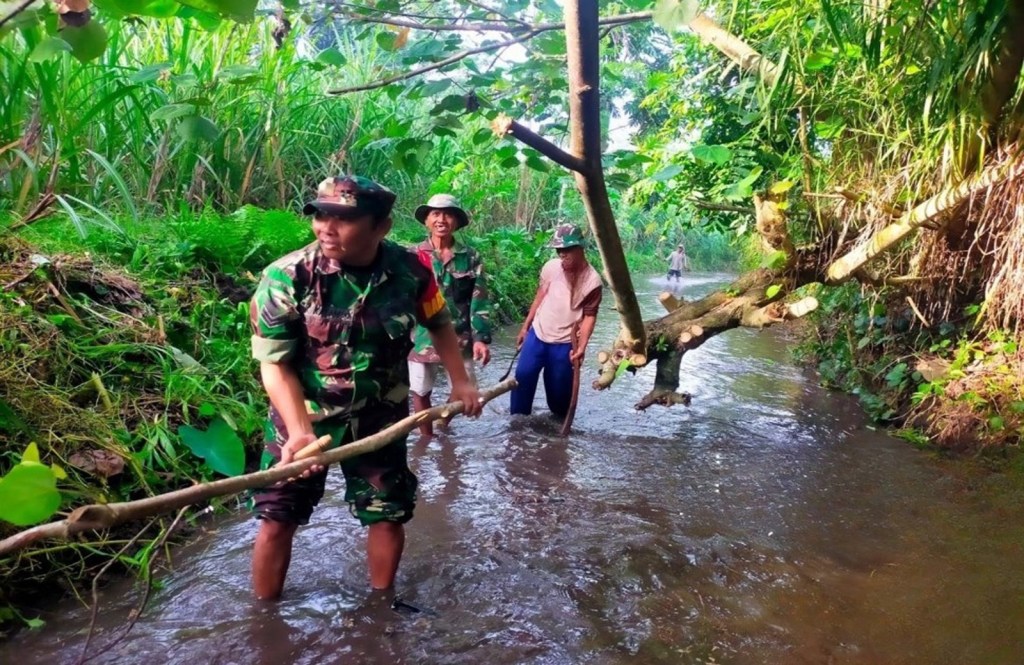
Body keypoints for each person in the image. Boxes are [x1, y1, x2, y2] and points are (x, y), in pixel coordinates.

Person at [248, 175, 481, 601]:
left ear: (381, 227)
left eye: (344, 219)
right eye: (320, 215)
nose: (325, 227)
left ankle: (381, 607)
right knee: (278, 516)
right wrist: (300, 433)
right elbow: (275, 364)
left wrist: (462, 382)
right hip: (304, 415)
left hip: (380, 416)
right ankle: (264, 618)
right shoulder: (287, 277)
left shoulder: (412, 271)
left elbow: (440, 323)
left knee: (387, 513)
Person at [408, 194, 492, 440]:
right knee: (420, 389)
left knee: (467, 388)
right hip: (421, 336)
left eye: (448, 214)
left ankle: (443, 422)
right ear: (427, 221)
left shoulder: (471, 257)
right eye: (435, 214)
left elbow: (479, 299)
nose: (441, 219)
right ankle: (426, 438)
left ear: (456, 221)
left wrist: (480, 339)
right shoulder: (413, 255)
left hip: (460, 336)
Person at [509, 223, 602, 418]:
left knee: (559, 398)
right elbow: (540, 296)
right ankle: (516, 429)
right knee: (522, 378)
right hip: (538, 335)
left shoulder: (593, 281)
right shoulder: (551, 268)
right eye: (559, 250)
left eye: (567, 250)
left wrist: (581, 348)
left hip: (564, 343)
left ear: (580, 248)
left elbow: (589, 317)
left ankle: (557, 437)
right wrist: (525, 328)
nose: (562, 255)